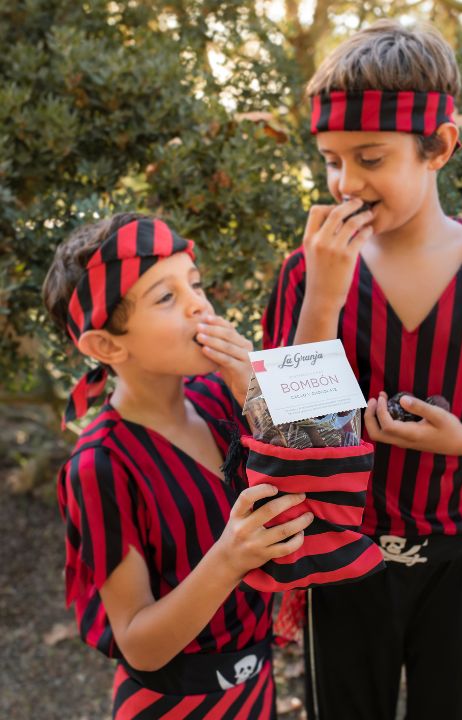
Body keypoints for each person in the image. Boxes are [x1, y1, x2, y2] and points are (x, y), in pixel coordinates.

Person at [262, 20, 462, 720]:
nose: (346, 183)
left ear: (439, 146)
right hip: (341, 553)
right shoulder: (305, 274)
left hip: (457, 556)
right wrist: (323, 297)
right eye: (331, 160)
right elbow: (289, 428)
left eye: (370, 157)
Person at [43, 213, 314, 719]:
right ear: (106, 345)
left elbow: (318, 477)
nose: (199, 305)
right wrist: (228, 559)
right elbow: (139, 643)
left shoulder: (220, 398)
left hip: (256, 691)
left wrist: (259, 393)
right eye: (166, 298)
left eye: (195, 283)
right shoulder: (101, 465)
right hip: (169, 705)